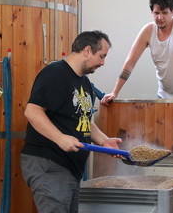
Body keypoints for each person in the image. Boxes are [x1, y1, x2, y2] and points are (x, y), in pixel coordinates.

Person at [20, 30, 122, 213]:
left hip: (70, 168)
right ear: (87, 50)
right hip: (50, 163)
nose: (103, 63)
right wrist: (60, 138)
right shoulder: (55, 74)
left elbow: (84, 120)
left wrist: (104, 141)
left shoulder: (84, 83)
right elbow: (32, 111)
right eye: (101, 56)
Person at [101, 0, 173, 106]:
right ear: (152, 13)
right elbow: (130, 62)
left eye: (165, 13)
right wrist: (115, 92)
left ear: (172, 12)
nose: (160, 17)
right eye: (156, 13)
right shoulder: (148, 31)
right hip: (163, 96)